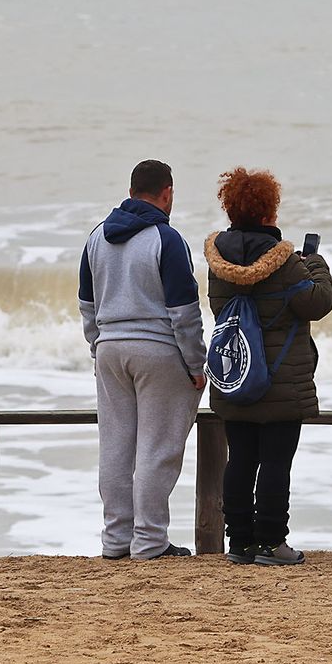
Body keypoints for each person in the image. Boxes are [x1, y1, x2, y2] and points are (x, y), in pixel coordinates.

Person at [204, 167, 332, 566]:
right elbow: (319, 302)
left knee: (240, 458)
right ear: (267, 214)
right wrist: (316, 264)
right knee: (276, 461)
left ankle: (240, 543)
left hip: (237, 373)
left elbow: (219, 309)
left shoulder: (218, 262)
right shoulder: (287, 264)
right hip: (281, 381)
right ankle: (272, 543)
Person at [79, 159, 207, 560]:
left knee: (115, 446)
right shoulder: (165, 239)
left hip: (111, 349)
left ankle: (116, 539)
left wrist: (98, 348)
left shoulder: (96, 237)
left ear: (131, 190)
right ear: (167, 193)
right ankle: (150, 540)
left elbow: (87, 306)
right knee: (157, 448)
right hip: (158, 351)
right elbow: (184, 312)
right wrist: (195, 364)